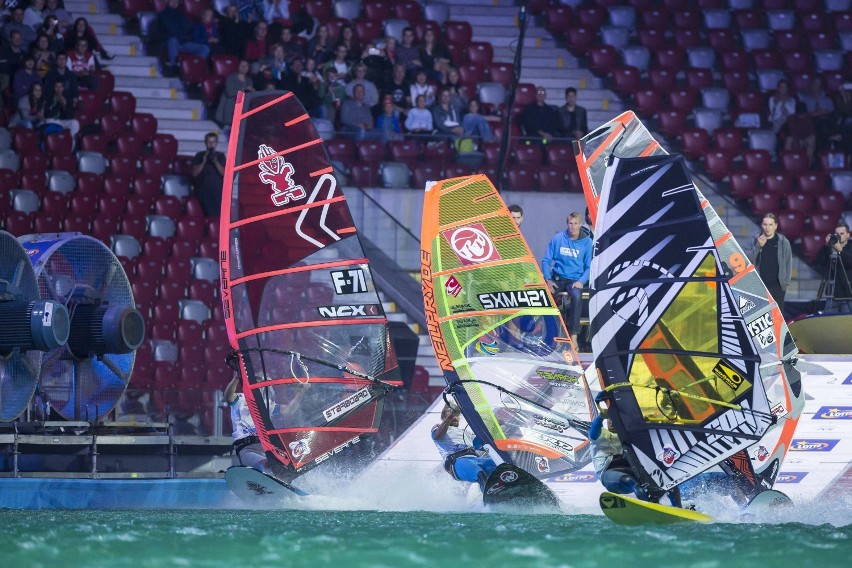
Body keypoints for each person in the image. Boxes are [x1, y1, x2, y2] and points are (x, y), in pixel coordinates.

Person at [542, 212, 593, 348]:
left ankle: (574, 337)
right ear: (567, 224)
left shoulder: (587, 242)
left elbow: (589, 266)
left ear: (580, 224)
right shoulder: (558, 239)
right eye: (570, 223)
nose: (573, 226)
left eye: (576, 223)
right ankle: (549, 336)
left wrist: (582, 281)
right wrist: (547, 278)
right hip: (558, 278)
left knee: (576, 296)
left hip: (575, 280)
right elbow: (546, 260)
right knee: (545, 296)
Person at [432, 403, 496, 487]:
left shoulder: (466, 433)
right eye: (451, 413)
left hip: (474, 459)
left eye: (456, 414)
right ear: (444, 416)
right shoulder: (437, 428)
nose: (454, 416)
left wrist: (493, 428)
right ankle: (489, 497)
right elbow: (437, 436)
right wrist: (450, 416)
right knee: (479, 473)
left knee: (499, 466)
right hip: (456, 463)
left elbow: (484, 444)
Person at [588, 410, 648, 501]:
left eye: (615, 419)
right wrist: (600, 417)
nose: (612, 423)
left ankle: (676, 508)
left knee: (662, 482)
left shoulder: (627, 434)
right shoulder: (600, 434)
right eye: (609, 420)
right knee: (630, 480)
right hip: (610, 474)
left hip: (631, 470)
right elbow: (593, 432)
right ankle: (648, 505)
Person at [747, 213, 792, 312]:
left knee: (777, 317)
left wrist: (785, 283)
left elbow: (788, 263)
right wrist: (758, 246)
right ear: (761, 225)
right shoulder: (755, 240)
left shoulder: (783, 242)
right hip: (759, 286)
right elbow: (747, 260)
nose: (767, 227)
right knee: (760, 315)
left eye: (770, 225)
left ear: (776, 226)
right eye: (765, 224)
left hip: (778, 287)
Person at [225, 372, 269, 473]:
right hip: (247, 448)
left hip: (265, 447)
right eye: (257, 380)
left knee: (280, 465)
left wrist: (300, 392)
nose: (259, 384)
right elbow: (228, 396)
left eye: (262, 381)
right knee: (265, 464)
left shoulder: (267, 403)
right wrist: (237, 377)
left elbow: (287, 411)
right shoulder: (240, 399)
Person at [158, 0, 210, 70]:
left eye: (176, 1)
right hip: (171, 42)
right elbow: (171, 30)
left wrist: (183, 32)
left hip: (184, 42)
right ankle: (173, 66)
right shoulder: (163, 14)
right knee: (173, 40)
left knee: (204, 48)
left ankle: (193, 67)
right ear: (168, 2)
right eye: (172, 1)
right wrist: (182, 30)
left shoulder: (181, 14)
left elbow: (189, 26)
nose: (175, 3)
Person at [817, 222, 852, 313]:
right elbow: (819, 261)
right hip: (832, 293)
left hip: (848, 294)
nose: (839, 236)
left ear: (848, 235)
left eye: (842, 234)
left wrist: (840, 250)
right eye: (837, 234)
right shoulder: (829, 248)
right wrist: (825, 245)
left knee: (846, 323)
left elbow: (850, 262)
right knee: (830, 322)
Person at [191, 132, 226, 217]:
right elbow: (194, 173)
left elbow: (224, 174)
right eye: (209, 142)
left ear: (216, 143)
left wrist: (215, 161)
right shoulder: (199, 155)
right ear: (205, 142)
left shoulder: (220, 156)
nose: (211, 144)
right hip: (202, 191)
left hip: (216, 192)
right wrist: (203, 161)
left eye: (213, 142)